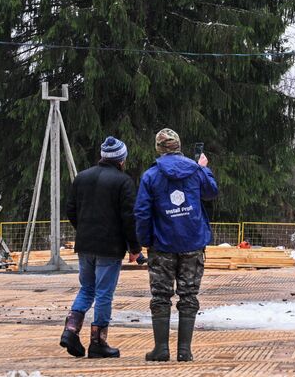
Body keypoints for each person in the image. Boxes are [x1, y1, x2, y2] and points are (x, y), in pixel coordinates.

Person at [135, 128, 218, 363]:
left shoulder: (150, 176)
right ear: (179, 145)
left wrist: (144, 240)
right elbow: (212, 192)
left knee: (161, 296)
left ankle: (161, 349)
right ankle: (185, 350)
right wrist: (203, 168)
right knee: (189, 295)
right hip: (193, 242)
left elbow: (142, 212)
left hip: (162, 244)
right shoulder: (195, 170)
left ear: (158, 148)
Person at [59, 136, 142, 359]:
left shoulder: (82, 177)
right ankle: (98, 342)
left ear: (102, 156)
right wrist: (135, 247)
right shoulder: (123, 182)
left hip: (85, 245)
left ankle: (71, 330)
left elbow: (70, 209)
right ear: (121, 159)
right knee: (104, 293)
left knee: (87, 288)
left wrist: (84, 229)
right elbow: (129, 218)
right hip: (109, 247)